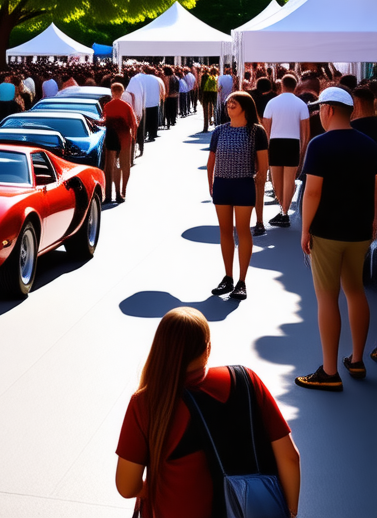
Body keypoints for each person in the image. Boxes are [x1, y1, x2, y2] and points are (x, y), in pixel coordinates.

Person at [115, 307, 300, 518]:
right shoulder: (246, 380)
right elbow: (290, 457)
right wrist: (290, 511)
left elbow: (126, 486)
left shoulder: (146, 402)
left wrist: (150, 488)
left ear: (160, 349)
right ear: (208, 349)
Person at [295, 87, 377, 391]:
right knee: (355, 290)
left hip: (327, 231)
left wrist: (305, 229)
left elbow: (312, 192)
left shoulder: (320, 144)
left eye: (319, 109)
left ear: (328, 109)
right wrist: (374, 221)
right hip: (359, 231)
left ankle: (329, 372)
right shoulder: (369, 145)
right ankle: (356, 359)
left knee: (327, 297)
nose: (318, 114)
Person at [206, 91, 268, 300]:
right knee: (224, 231)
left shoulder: (256, 132)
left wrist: (257, 184)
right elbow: (211, 160)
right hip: (222, 184)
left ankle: (242, 281)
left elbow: (263, 165)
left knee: (242, 231)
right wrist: (211, 184)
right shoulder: (219, 131)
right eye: (228, 102)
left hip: (243, 184)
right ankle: (228, 277)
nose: (229, 105)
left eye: (234, 102)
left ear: (245, 106)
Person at [262, 75, 310, 230]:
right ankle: (284, 212)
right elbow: (306, 132)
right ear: (295, 86)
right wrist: (302, 152)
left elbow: (266, 129)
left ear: (281, 85)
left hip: (275, 143)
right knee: (289, 180)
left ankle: (283, 213)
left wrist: (266, 149)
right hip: (293, 143)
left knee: (276, 181)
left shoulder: (272, 103)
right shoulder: (301, 104)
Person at [104, 82, 137, 203]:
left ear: (112, 92)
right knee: (124, 165)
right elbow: (133, 123)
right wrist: (133, 137)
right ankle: (122, 191)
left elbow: (104, 120)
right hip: (124, 138)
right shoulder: (126, 106)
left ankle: (108, 194)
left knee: (110, 167)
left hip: (111, 137)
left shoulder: (108, 106)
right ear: (122, 92)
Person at [199, 68, 218, 133]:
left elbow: (201, 86)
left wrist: (201, 96)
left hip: (206, 93)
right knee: (214, 108)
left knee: (205, 110)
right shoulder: (216, 77)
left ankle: (205, 127)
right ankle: (215, 123)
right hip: (214, 93)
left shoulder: (204, 77)